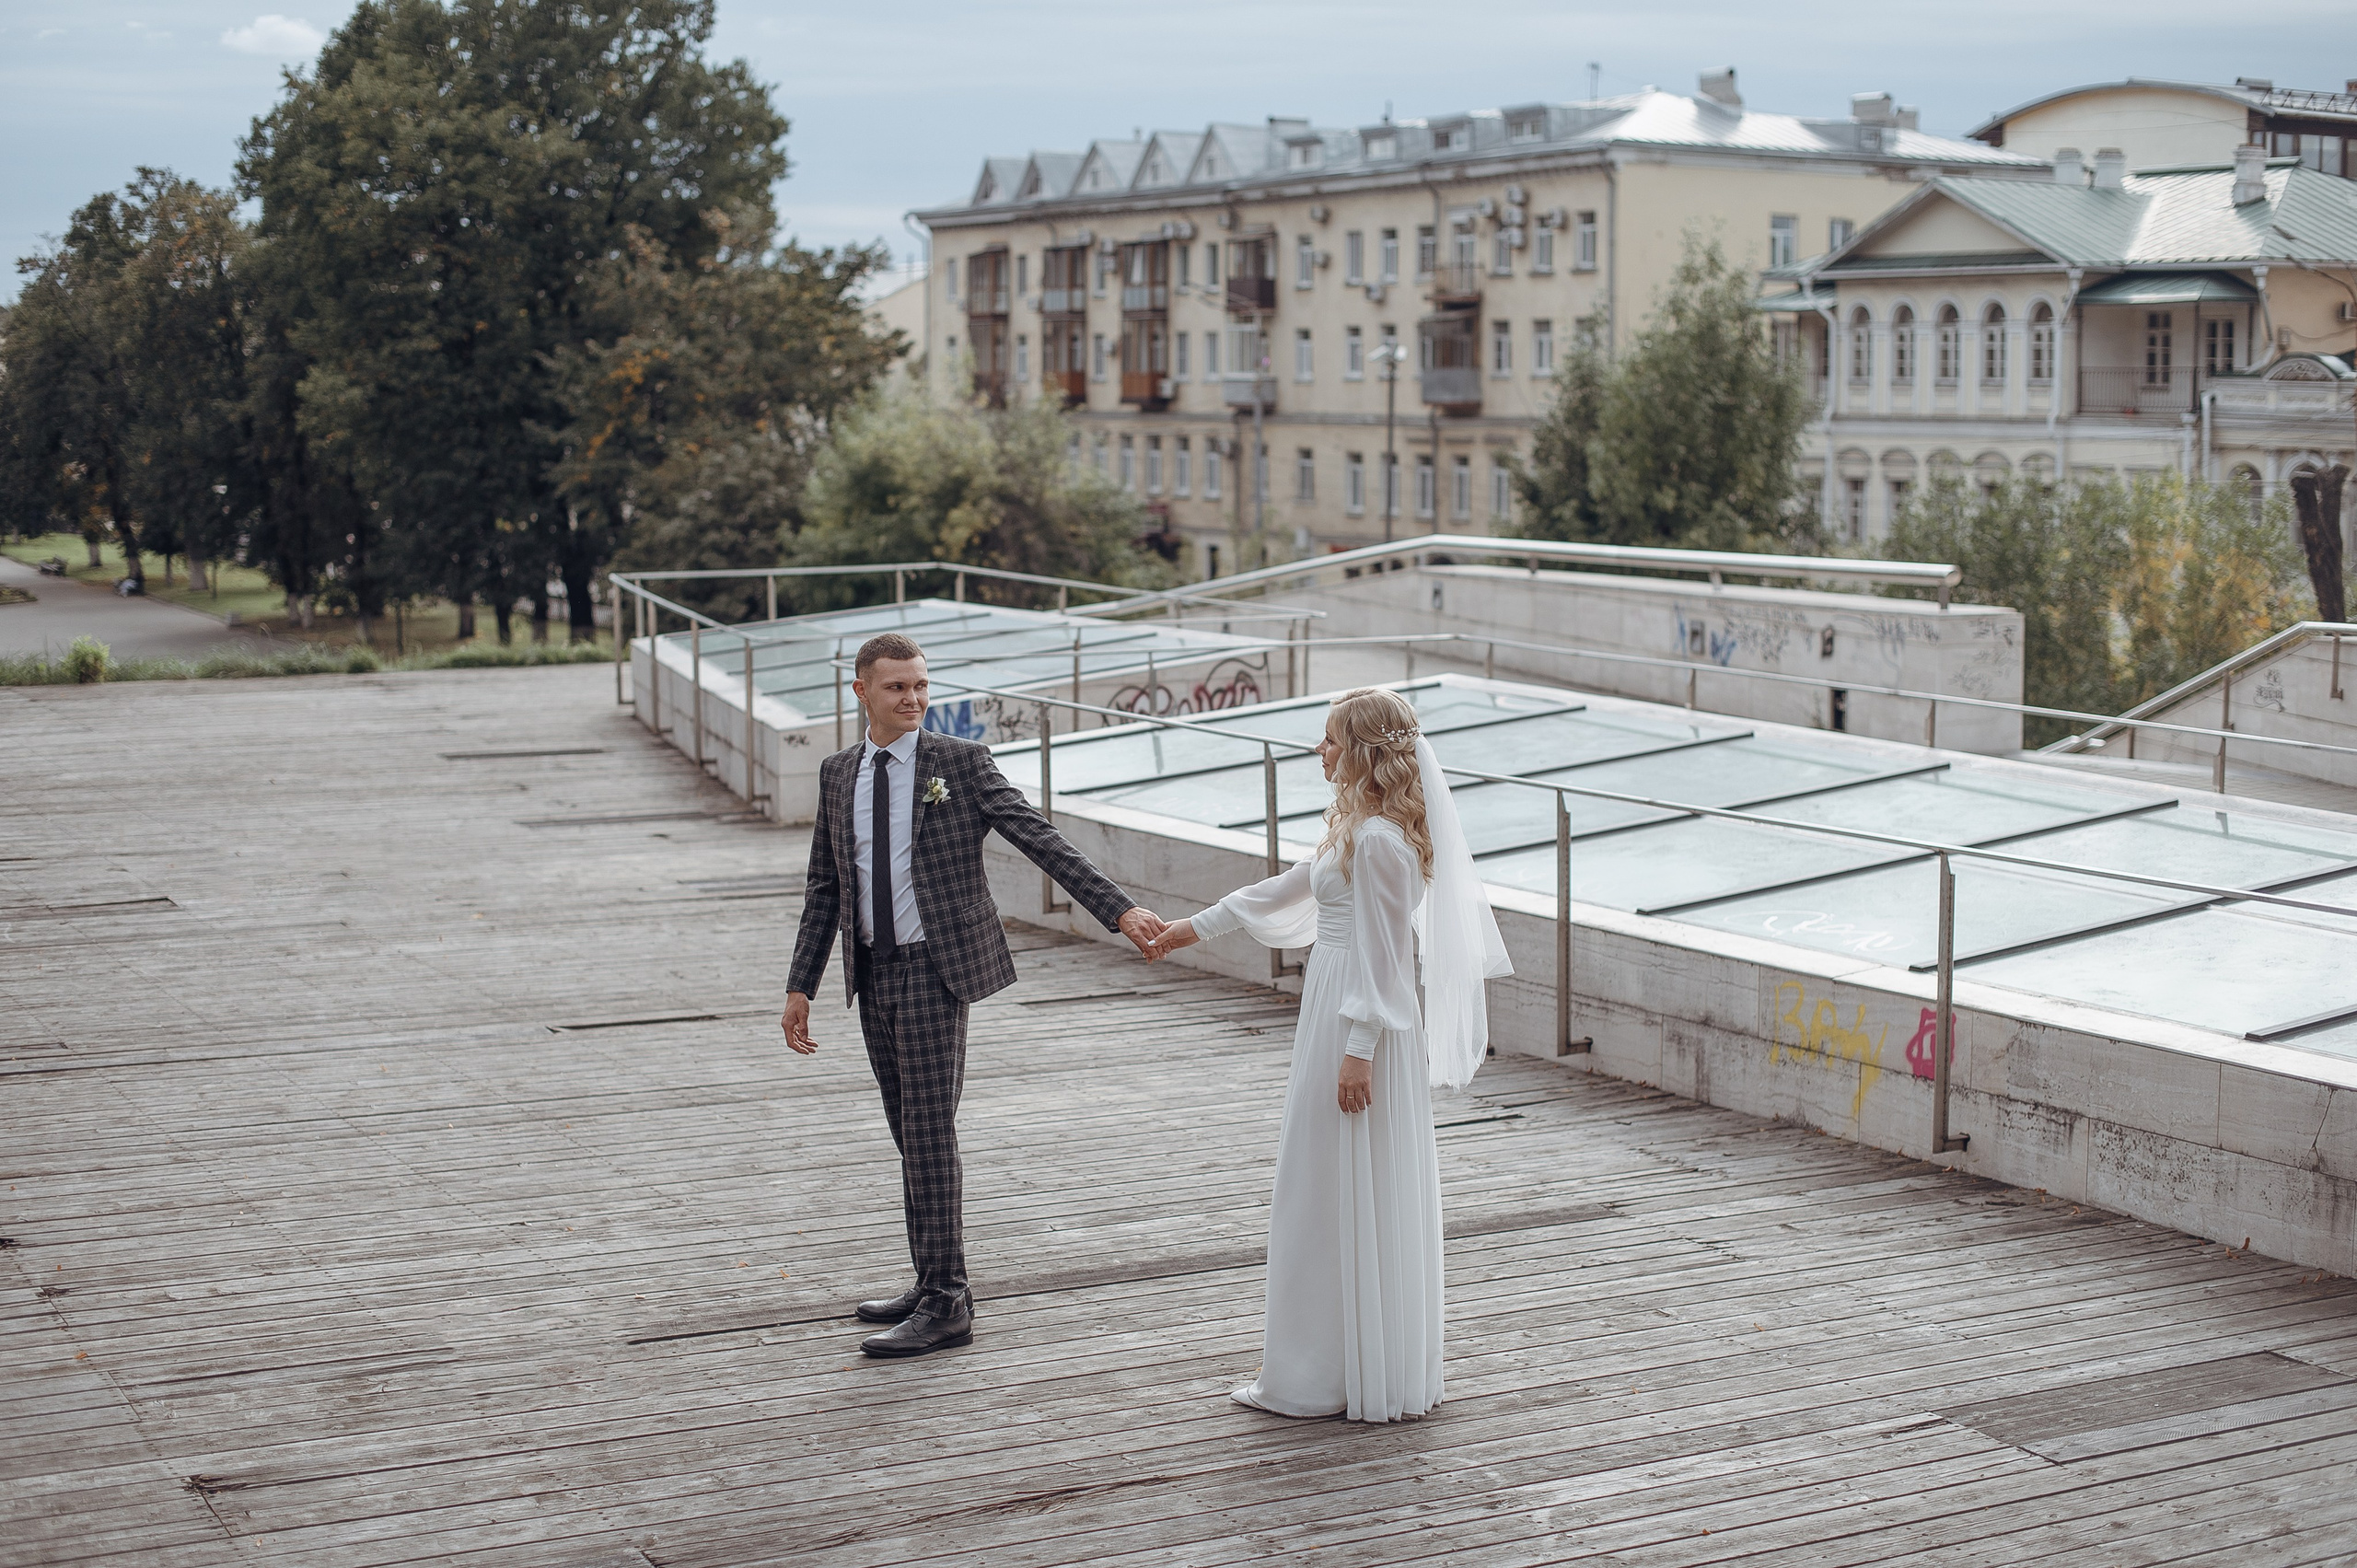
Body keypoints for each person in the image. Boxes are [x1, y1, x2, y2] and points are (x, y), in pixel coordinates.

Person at [782, 633, 1166, 1358]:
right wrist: (802, 982)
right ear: (862, 692)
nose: (914, 699)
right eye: (897, 687)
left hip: (937, 969)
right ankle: (931, 1278)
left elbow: (1039, 838)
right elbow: (824, 885)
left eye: (921, 685)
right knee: (909, 1132)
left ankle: (950, 1300)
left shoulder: (959, 764)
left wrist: (1118, 909)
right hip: (872, 971)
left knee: (929, 1130)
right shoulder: (839, 775)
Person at [1145, 687, 1511, 1421]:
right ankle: (1340, 1362)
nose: (1321, 751)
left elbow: (1385, 956)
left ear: (1367, 752)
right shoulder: (1360, 828)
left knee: (1326, 1186)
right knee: (1327, 1186)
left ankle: (1318, 1375)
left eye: (1332, 740)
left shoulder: (1379, 842)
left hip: (1356, 1022)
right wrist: (1192, 928)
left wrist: (1359, 1050)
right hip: (1338, 1008)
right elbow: (1282, 892)